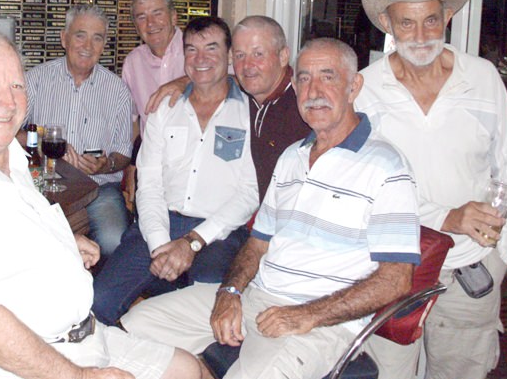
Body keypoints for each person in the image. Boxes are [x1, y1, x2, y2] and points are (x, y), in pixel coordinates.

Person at [0, 29, 201, 379]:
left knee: (188, 369)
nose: (8, 101)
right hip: (25, 361)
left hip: (82, 336)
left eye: (16, 86)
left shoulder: (9, 153)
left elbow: (1, 236)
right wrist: (80, 377)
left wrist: (62, 244)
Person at [121, 38, 421, 379]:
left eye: (328, 77)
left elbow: (396, 280)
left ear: (354, 86)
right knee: (136, 329)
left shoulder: (387, 167)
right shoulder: (292, 157)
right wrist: (230, 291)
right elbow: (257, 244)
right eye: (304, 78)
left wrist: (307, 314)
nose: (314, 91)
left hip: (321, 323)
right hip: (257, 298)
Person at [356, 0, 507, 379]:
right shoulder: (364, 88)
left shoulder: (483, 78)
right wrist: (446, 217)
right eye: (406, 23)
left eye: (431, 20)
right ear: (387, 23)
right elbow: (363, 188)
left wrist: (498, 259)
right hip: (389, 269)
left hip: (469, 271)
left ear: (447, 17)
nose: (420, 35)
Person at [92, 17, 258, 327]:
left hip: (218, 232)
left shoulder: (250, 112)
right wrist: (159, 245)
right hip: (161, 223)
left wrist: (192, 242)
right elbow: (149, 185)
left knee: (204, 312)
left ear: (229, 55)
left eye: (212, 48)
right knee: (99, 302)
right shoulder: (165, 108)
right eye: (191, 50)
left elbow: (249, 194)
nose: (200, 58)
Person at [146, 15, 308, 200]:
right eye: (240, 55)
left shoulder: (302, 106)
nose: (247, 65)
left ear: (283, 56)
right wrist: (188, 80)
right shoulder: (252, 99)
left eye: (258, 54)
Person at [25, 4, 132, 259]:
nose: (88, 46)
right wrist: (40, 140)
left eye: (97, 38)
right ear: (64, 38)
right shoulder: (35, 80)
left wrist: (106, 165)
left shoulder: (118, 91)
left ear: (104, 45)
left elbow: (124, 153)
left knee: (114, 240)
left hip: (98, 186)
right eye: (80, 35)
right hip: (41, 183)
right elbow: (8, 134)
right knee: (25, 238)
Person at [121, 0, 186, 208]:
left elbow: (234, 80)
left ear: (174, 17)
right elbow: (133, 124)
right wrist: (131, 167)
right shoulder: (133, 62)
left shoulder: (198, 49)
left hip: (195, 166)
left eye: (157, 13)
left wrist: (186, 81)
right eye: (142, 17)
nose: (150, 23)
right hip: (152, 169)